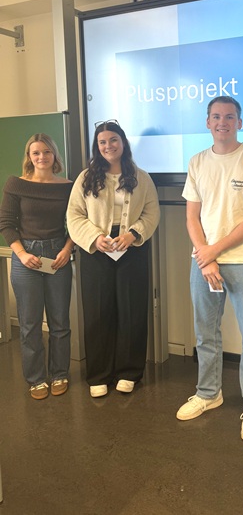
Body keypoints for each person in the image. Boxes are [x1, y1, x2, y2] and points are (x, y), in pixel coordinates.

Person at [176, 96, 243, 442]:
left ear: (240, 122)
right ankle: (208, 393)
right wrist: (206, 257)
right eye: (216, 117)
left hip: (242, 262)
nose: (223, 122)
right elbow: (191, 217)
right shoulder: (197, 161)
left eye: (229, 117)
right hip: (203, 264)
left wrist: (212, 252)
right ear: (208, 122)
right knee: (206, 333)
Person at [67, 120, 160, 398]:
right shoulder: (86, 178)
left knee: (132, 311)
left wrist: (133, 234)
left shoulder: (141, 177)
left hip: (132, 248)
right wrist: (95, 238)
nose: (108, 146)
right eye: (102, 142)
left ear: (123, 142)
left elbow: (152, 212)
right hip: (97, 250)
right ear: (97, 146)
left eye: (113, 140)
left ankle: (129, 372)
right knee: (98, 312)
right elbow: (74, 215)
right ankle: (98, 374)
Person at [0, 134, 74, 400]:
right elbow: (6, 223)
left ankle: (60, 374)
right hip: (26, 257)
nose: (42, 157)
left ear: (54, 155)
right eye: (36, 153)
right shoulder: (16, 184)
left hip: (58, 256)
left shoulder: (68, 187)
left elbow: (76, 222)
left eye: (46, 152)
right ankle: (36, 379)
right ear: (29, 157)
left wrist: (67, 249)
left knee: (60, 322)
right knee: (30, 324)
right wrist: (21, 254)